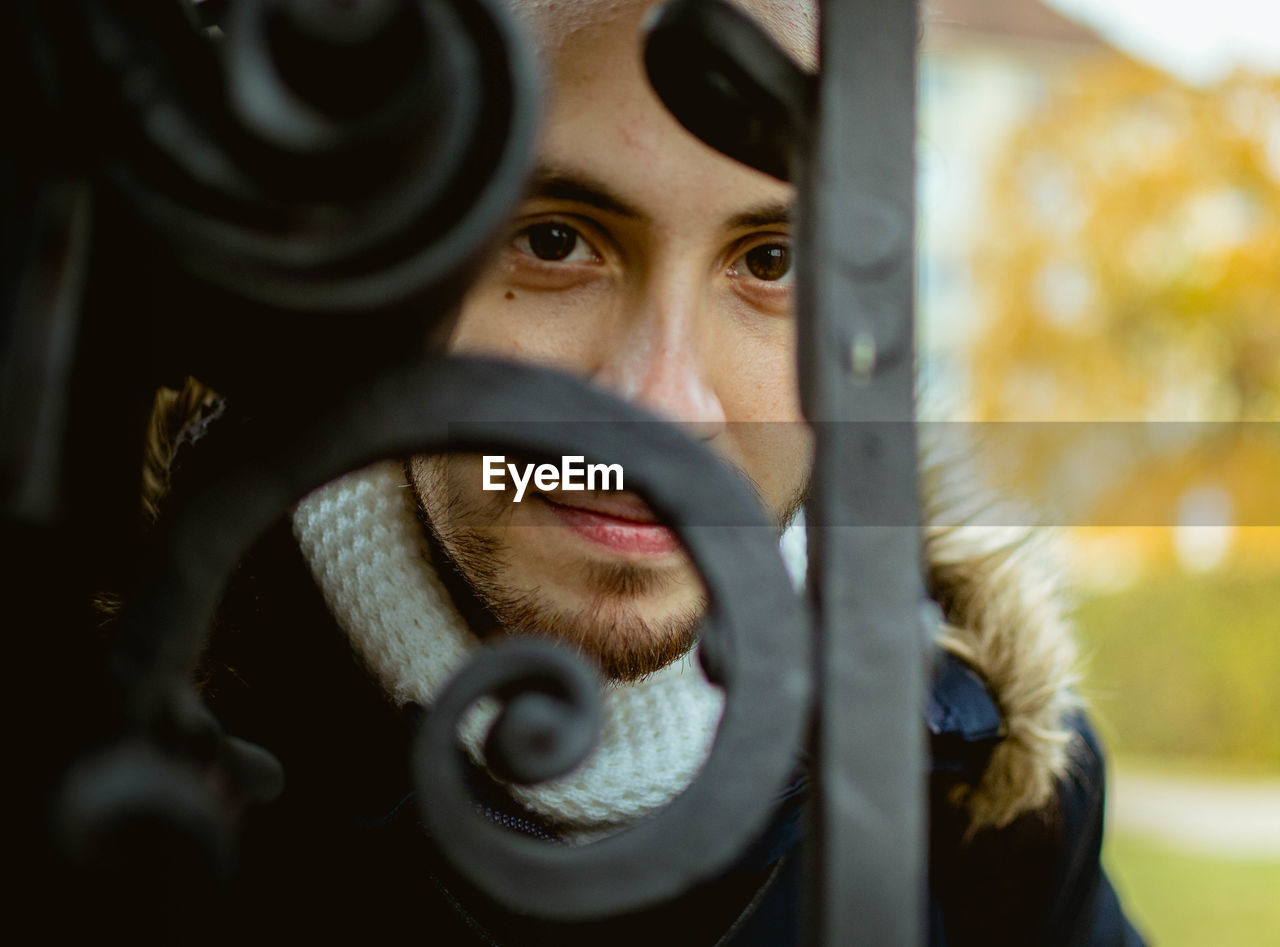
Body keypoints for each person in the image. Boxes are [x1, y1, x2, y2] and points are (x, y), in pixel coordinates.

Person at [138, 0, 1144, 943]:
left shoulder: (975, 796)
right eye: (553, 240)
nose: (663, 408)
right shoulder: (112, 728)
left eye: (771, 260)